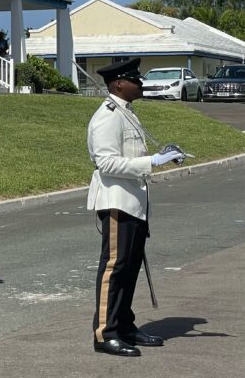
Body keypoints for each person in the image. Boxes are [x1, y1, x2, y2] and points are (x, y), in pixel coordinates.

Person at [88, 58, 184, 357]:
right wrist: (152, 162)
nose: (140, 84)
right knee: (114, 269)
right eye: (135, 80)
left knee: (130, 269)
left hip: (133, 201)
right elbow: (105, 162)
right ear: (118, 84)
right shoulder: (108, 116)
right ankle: (105, 333)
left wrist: (162, 156)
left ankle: (125, 325)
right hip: (117, 201)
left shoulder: (127, 113)